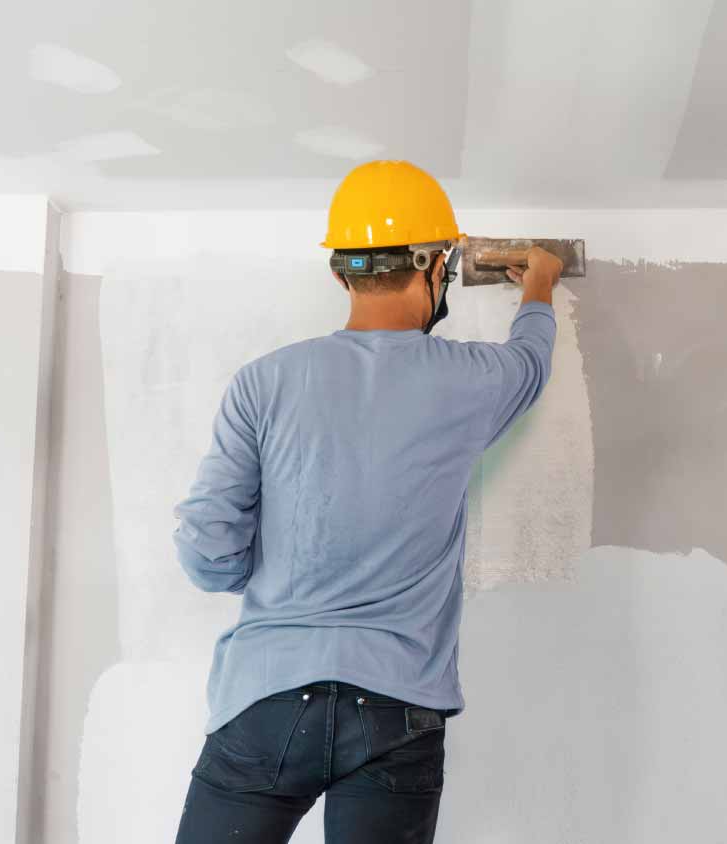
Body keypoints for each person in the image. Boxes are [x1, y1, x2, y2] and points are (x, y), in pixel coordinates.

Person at [171, 160, 562, 843]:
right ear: (435, 265)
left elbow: (207, 559)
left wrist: (269, 564)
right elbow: (531, 361)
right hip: (396, 707)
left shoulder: (263, 382)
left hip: (265, 695)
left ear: (338, 271)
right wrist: (540, 283)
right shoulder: (471, 379)